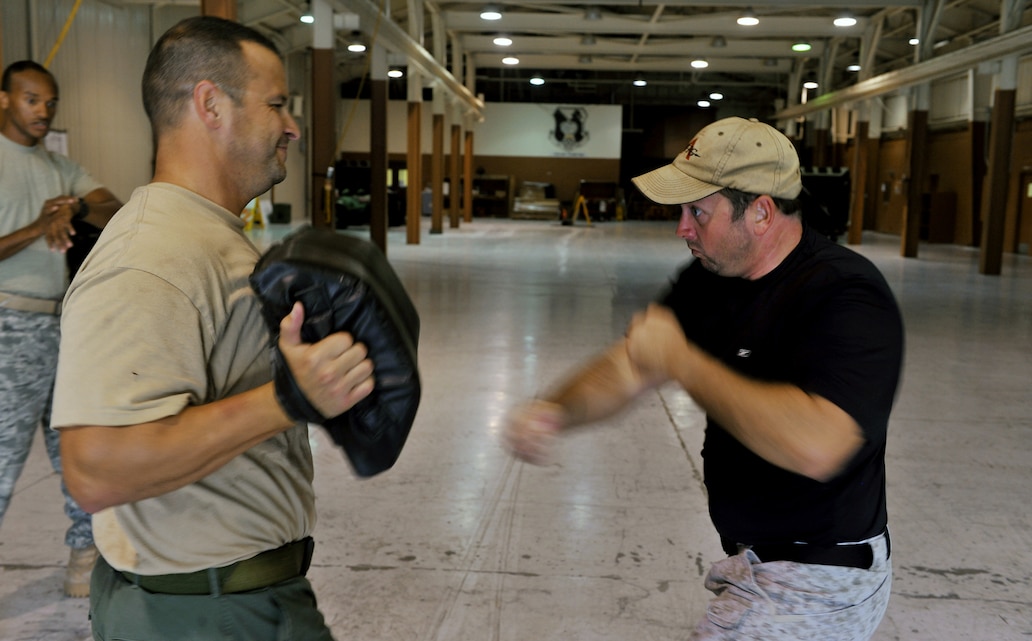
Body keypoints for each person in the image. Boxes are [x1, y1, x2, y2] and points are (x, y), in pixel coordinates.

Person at [505, 116, 904, 641]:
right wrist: (556, 409)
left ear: (761, 212)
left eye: (699, 211)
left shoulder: (846, 297)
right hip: (754, 558)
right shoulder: (712, 277)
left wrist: (685, 363)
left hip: (822, 578)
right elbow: (634, 362)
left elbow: (819, 443)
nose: (682, 228)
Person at [51, 16, 375, 640]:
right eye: (277, 103)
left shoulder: (205, 236)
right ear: (211, 104)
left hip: (228, 601)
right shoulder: (153, 257)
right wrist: (289, 398)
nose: (292, 126)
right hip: (208, 614)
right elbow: (95, 470)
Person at [0, 59, 121, 597]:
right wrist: (37, 225)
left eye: (50, 102)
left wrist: (71, 205)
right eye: (31, 100)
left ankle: (83, 557)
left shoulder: (57, 167)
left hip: (60, 324)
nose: (43, 111)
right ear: (4, 99)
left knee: (72, 444)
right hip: (8, 324)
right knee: (3, 454)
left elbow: (109, 204)